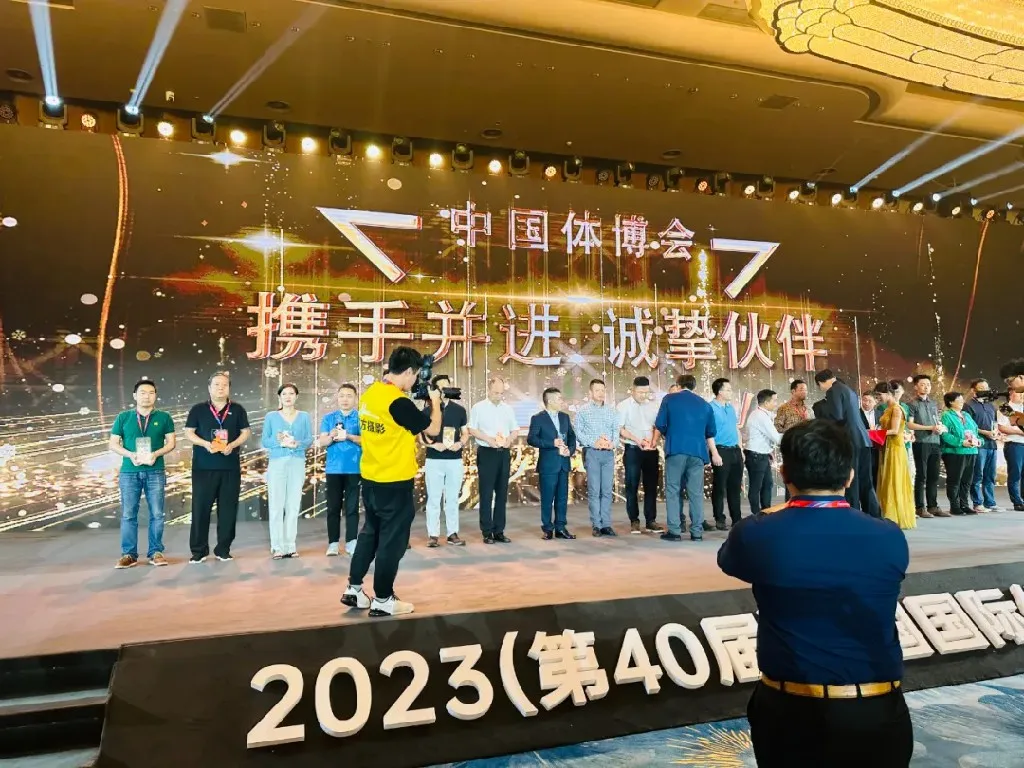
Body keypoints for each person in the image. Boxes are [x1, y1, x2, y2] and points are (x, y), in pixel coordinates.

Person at [717, 419, 912, 768]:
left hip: (789, 710)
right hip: (875, 709)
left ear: (783, 474)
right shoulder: (888, 536)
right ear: (849, 476)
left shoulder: (757, 534)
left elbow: (730, 562)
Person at [341, 347, 442, 617]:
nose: (415, 381)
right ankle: (383, 598)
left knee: (369, 535)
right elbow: (433, 429)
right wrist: (435, 402)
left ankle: (354, 588)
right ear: (408, 371)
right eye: (416, 375)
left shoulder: (370, 395)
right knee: (392, 542)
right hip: (395, 482)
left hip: (371, 478)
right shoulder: (397, 402)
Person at [184, 371, 251, 563]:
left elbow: (245, 432)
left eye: (224, 385)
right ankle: (198, 551)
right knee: (200, 509)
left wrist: (233, 445)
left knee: (228, 510)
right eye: (216, 385)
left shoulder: (237, 409)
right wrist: (205, 444)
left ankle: (223, 549)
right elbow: (189, 432)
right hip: (203, 468)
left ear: (229, 388)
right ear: (209, 388)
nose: (220, 388)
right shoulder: (198, 409)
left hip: (230, 467)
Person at [109, 379, 176, 568]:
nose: (147, 396)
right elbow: (113, 444)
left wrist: (155, 454)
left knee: (157, 513)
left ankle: (156, 552)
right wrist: (130, 455)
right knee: (128, 514)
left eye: (151, 392)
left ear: (156, 395)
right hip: (129, 472)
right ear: (135, 396)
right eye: (143, 392)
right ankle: (129, 554)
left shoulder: (164, 417)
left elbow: (171, 443)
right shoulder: (123, 417)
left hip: (155, 471)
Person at [653, 374, 718, 542]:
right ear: (694, 386)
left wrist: (658, 439)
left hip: (676, 449)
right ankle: (697, 532)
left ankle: (675, 531)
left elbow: (660, 424)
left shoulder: (669, 399)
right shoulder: (705, 405)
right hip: (698, 452)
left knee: (673, 490)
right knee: (696, 493)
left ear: (678, 385)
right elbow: (710, 432)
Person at [814, 369, 880, 517]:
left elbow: (836, 416)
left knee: (851, 480)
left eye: (820, 386)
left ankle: (853, 515)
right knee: (866, 481)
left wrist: (820, 412)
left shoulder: (833, 391)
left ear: (821, 382)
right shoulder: (849, 390)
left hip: (849, 440)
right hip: (863, 439)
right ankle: (874, 516)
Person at [261, 384, 313, 559]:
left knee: (293, 505)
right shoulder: (271, 417)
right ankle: (277, 546)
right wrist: (278, 441)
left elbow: (308, 439)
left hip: (297, 462)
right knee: (276, 505)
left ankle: (290, 545)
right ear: (279, 397)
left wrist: (298, 443)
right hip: (277, 462)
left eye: (291, 393)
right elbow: (265, 441)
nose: (288, 397)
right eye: (284, 394)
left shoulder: (304, 416)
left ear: (296, 396)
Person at [468, 376, 519, 544]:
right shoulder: (479, 407)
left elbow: (515, 429)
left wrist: (509, 440)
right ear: (489, 390)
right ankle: (487, 531)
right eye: (496, 392)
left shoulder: (508, 409)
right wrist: (488, 439)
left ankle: (499, 531)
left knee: (502, 493)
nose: (499, 396)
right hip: (487, 452)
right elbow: (472, 429)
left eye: (501, 393)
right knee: (486, 493)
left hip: (503, 453)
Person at [422, 374, 468, 548]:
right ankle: (433, 535)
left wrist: (460, 443)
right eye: (441, 388)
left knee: (452, 498)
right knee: (434, 498)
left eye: (447, 387)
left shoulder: (460, 410)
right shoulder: (427, 411)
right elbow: (421, 437)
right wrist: (434, 445)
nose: (445, 390)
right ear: (435, 390)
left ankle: (452, 533)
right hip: (434, 459)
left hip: (454, 460)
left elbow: (465, 433)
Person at [527, 388, 578, 540]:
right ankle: (547, 528)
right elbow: (532, 439)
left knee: (562, 498)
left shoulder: (564, 417)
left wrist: (570, 450)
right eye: (559, 399)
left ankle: (561, 528)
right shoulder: (538, 418)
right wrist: (551, 443)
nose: (562, 401)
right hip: (548, 464)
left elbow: (571, 436)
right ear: (550, 401)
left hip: (563, 462)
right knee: (547, 498)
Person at [319, 383, 362, 556]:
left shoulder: (361, 418)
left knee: (352, 508)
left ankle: (352, 541)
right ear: (337, 398)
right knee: (333, 508)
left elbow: (367, 441)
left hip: (354, 468)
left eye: (349, 396)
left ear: (355, 398)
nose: (345, 399)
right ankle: (333, 543)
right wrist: (331, 435)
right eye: (342, 395)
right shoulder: (329, 418)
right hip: (334, 469)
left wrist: (348, 436)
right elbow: (322, 441)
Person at [617, 376, 664, 534]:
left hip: (650, 450)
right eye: (640, 392)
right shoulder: (623, 406)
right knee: (632, 485)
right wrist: (637, 440)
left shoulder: (653, 406)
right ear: (633, 390)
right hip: (633, 449)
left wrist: (654, 440)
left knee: (651, 486)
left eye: (646, 392)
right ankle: (634, 520)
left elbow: (657, 426)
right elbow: (620, 428)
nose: (644, 395)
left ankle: (651, 520)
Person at [575, 379, 619, 537]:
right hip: (592, 452)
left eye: (603, 390)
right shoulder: (583, 411)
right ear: (590, 392)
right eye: (597, 390)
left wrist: (612, 443)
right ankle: (596, 524)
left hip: (608, 454)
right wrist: (594, 442)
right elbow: (578, 432)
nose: (601, 393)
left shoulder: (612, 411)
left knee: (607, 490)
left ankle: (606, 524)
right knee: (594, 490)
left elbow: (616, 431)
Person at [875, 382, 916, 530]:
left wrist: (872, 433)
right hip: (886, 447)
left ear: (888, 393)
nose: (878, 398)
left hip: (895, 449)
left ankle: (895, 517)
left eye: (879, 395)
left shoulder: (897, 409)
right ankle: (887, 514)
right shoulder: (888, 408)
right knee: (887, 480)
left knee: (894, 480)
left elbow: (894, 430)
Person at [906, 374, 947, 519]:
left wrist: (940, 428)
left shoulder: (934, 404)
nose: (926, 387)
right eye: (923, 384)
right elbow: (910, 424)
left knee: (933, 476)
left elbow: (937, 421)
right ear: (916, 386)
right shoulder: (912, 404)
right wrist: (930, 427)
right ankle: (919, 507)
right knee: (921, 476)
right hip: (921, 442)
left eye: (928, 384)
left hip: (935, 441)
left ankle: (933, 506)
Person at [709, 378, 743, 531]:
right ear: (720, 392)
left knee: (735, 487)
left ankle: (737, 518)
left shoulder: (730, 408)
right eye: (728, 389)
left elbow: (735, 428)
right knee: (719, 487)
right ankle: (719, 518)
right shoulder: (710, 408)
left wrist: (741, 449)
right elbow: (708, 433)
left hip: (735, 450)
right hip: (720, 450)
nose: (731, 392)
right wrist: (714, 453)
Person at [939, 392, 981, 516]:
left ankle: (964, 504)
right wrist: (961, 442)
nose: (962, 402)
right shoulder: (946, 415)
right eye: (959, 400)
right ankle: (955, 506)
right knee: (955, 480)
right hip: (955, 452)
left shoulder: (966, 415)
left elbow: (975, 431)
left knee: (967, 480)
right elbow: (944, 434)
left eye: (962, 400)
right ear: (951, 402)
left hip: (971, 451)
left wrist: (978, 441)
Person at [964, 379, 1000, 513]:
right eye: (981, 387)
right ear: (973, 390)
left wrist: (995, 432)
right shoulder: (968, 406)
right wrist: (986, 433)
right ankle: (977, 503)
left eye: (986, 387)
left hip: (992, 444)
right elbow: (969, 426)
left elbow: (995, 422)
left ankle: (990, 502)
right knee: (977, 475)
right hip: (978, 444)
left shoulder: (991, 405)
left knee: (990, 475)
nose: (985, 390)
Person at [745, 389, 782, 516]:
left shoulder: (761, 414)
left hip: (762, 455)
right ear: (766, 403)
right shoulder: (760, 416)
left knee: (767, 484)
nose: (776, 403)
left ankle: (766, 512)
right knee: (756, 486)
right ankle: (757, 514)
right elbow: (776, 438)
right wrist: (793, 436)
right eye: (774, 400)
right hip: (756, 455)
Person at [997, 389, 1024, 511]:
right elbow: (1002, 427)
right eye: (1019, 393)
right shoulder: (1006, 408)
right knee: (1015, 474)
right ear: (1011, 393)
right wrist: (1020, 432)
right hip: (1014, 444)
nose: (1022, 395)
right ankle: (1017, 502)